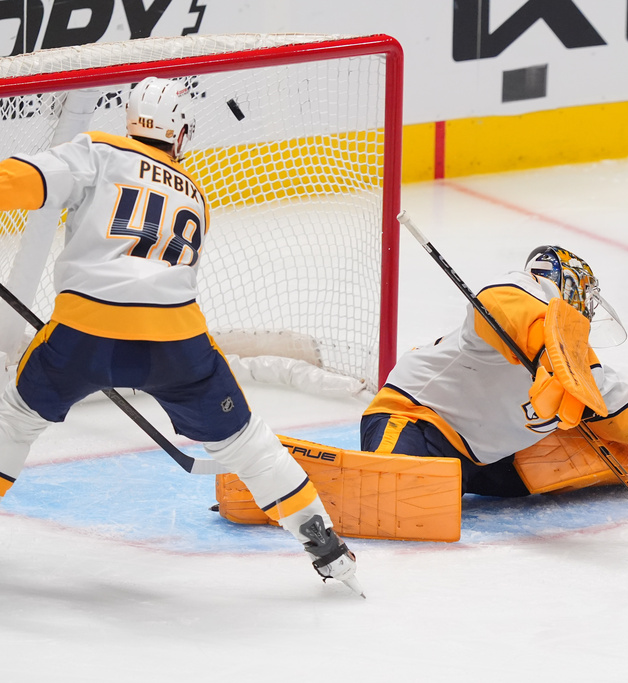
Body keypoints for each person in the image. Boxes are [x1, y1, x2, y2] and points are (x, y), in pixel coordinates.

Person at [0, 77, 361, 593]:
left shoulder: (100, 150)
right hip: (177, 339)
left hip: (86, 329)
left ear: (130, 121)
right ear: (180, 132)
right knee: (248, 445)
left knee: (14, 420)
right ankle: (326, 547)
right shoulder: (194, 193)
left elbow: (22, 179)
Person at [360, 245, 628, 498]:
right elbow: (504, 302)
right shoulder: (517, 291)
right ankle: (299, 480)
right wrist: (548, 349)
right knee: (387, 494)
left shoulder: (587, 372)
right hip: (414, 420)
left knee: (587, 452)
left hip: (483, 462)